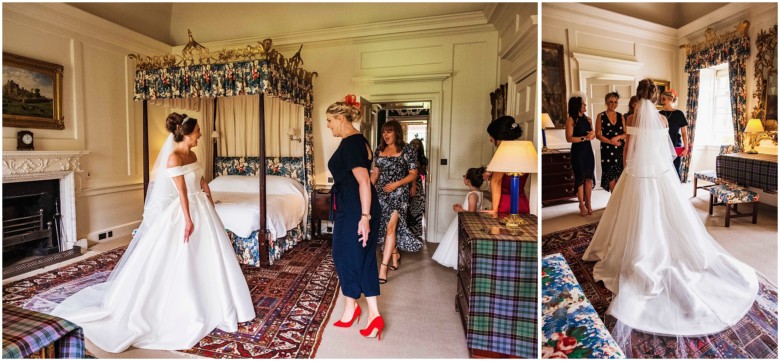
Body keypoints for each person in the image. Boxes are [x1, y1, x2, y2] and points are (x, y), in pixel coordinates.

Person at [582, 79, 759, 357]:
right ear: (655, 96)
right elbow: (666, 151)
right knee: (664, 215)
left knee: (631, 215)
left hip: (637, 174)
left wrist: (629, 167)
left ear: (638, 94)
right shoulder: (663, 121)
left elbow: (629, 149)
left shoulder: (631, 117)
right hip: (660, 174)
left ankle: (631, 251)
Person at [50, 113, 255, 352]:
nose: (200, 134)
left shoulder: (193, 154)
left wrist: (209, 200)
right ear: (187, 133)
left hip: (203, 207)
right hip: (185, 210)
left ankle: (216, 298)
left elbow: (201, 182)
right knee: (183, 253)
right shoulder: (174, 158)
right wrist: (188, 220)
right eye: (198, 130)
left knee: (213, 255)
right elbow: (182, 194)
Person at [326, 96, 384, 340]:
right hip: (355, 206)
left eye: (330, 121)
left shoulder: (351, 143)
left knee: (346, 255)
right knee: (361, 257)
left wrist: (364, 216)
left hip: (355, 210)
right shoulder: (360, 141)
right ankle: (360, 310)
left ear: (341, 118)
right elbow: (366, 180)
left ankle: (367, 312)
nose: (328, 126)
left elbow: (363, 181)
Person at [370, 120, 421, 284]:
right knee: (384, 227)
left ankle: (383, 268)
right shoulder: (379, 150)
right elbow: (375, 173)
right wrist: (367, 189)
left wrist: (396, 184)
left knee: (391, 228)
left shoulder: (407, 150)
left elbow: (413, 174)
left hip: (399, 193)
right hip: (381, 194)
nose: (385, 135)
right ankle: (394, 254)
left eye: (389, 132)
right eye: (384, 132)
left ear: (396, 133)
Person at [432, 167, 484, 269]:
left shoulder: (472, 195)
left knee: (458, 241)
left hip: (465, 221)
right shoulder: (479, 193)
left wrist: (458, 209)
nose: (464, 178)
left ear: (468, 181)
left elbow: (471, 213)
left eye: (464, 176)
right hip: (464, 220)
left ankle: (459, 262)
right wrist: (462, 206)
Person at [486, 116, 529, 216]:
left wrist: (494, 209)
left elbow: (496, 181)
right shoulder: (524, 150)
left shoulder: (503, 153)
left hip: (505, 204)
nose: (490, 140)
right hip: (521, 202)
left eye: (491, 136)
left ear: (498, 136)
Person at [565, 95, 596, 215]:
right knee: (580, 179)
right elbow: (569, 138)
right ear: (577, 106)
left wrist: (592, 135)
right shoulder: (571, 119)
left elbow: (591, 134)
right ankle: (581, 205)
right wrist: (585, 138)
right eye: (583, 104)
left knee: (589, 178)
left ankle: (589, 203)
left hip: (588, 151)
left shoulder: (588, 119)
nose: (585, 106)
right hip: (578, 152)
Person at [595, 92, 627, 192]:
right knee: (610, 174)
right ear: (606, 102)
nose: (613, 104)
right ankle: (614, 200)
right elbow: (598, 135)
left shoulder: (621, 116)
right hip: (607, 150)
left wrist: (618, 137)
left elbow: (626, 133)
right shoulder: (601, 116)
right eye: (610, 102)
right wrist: (610, 141)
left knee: (620, 174)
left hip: (620, 149)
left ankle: (619, 200)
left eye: (615, 102)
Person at [658, 89, 689, 179]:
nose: (661, 101)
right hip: (662, 148)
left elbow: (684, 133)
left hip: (676, 147)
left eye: (664, 99)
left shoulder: (679, 114)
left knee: (675, 171)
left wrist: (686, 148)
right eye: (661, 99)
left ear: (670, 99)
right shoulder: (659, 114)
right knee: (663, 172)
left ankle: (677, 192)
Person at [407, 138, 427, 239]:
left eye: (417, 144)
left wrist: (419, 166)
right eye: (413, 143)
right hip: (406, 183)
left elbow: (424, 173)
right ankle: (407, 232)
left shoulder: (423, 158)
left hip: (418, 185)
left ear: (420, 146)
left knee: (417, 208)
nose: (415, 145)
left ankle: (416, 232)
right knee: (407, 208)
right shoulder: (406, 155)